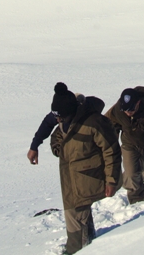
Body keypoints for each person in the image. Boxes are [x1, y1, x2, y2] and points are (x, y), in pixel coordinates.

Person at [29, 83, 121, 254]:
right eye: (56, 117)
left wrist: (112, 180)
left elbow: (112, 151)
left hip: (89, 175)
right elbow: (48, 125)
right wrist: (35, 146)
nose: (57, 121)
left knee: (76, 212)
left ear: (71, 111)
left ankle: (76, 249)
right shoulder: (62, 114)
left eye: (60, 118)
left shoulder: (94, 122)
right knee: (77, 211)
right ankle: (88, 241)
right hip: (70, 174)